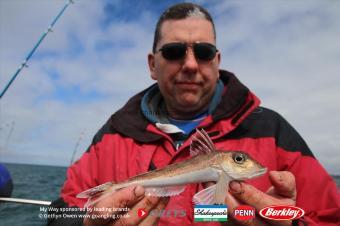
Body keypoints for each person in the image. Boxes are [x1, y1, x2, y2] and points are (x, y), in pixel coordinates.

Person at [48, 3, 340, 226]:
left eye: (203, 51)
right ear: (152, 64)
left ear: (217, 60)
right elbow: (58, 212)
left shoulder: (272, 130)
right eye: (174, 51)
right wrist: (85, 223)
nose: (190, 64)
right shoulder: (113, 134)